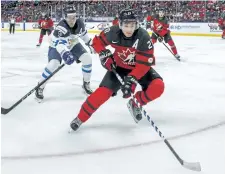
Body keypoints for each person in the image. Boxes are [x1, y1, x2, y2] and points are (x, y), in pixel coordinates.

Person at [70, 9, 165, 131]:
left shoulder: (143, 37)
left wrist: (132, 79)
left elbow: (144, 64)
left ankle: (135, 103)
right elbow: (96, 43)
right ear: (120, 24)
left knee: (158, 86)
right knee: (101, 94)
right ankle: (80, 118)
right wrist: (103, 54)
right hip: (118, 68)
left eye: (132, 25)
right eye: (126, 25)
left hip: (138, 68)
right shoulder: (113, 32)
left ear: (137, 24)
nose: (129, 29)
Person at [35, 6, 94, 102]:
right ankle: (40, 86)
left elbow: (84, 36)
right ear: (65, 17)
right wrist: (65, 54)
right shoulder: (61, 27)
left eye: (74, 17)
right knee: (54, 64)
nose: (72, 20)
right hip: (56, 46)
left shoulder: (80, 23)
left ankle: (86, 83)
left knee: (87, 58)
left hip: (72, 43)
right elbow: (59, 45)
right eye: (69, 17)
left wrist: (91, 45)